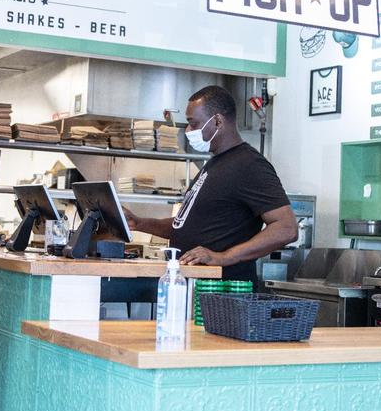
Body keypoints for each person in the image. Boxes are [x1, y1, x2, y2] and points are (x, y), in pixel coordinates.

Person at [125, 85, 298, 286]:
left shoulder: (249, 164)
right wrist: (140, 223)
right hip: (193, 286)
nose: (189, 130)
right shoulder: (214, 163)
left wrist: (224, 257)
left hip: (224, 292)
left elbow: (286, 228)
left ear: (217, 121)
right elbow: (185, 225)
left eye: (193, 123)